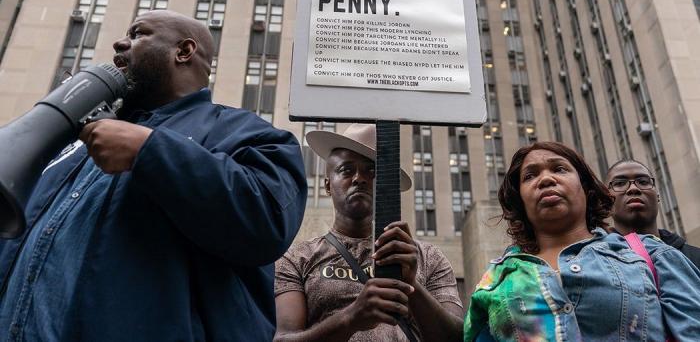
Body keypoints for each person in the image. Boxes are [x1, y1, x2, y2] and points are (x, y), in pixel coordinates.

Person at [0, 10, 307, 341]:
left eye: (137, 34)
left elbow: (267, 220)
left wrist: (150, 151)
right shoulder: (75, 142)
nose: (120, 42)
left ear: (183, 51)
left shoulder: (248, 134)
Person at [463, 141, 700, 341]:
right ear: (520, 200)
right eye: (530, 176)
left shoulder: (652, 255)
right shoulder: (497, 279)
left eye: (559, 169)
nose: (546, 179)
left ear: (585, 188)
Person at [274, 124, 464, 342]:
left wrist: (411, 285)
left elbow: (459, 338)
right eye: (346, 170)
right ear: (327, 185)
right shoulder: (297, 259)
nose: (359, 178)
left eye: (372, 170)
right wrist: (352, 317)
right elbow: (282, 339)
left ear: (387, 183)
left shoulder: (428, 257)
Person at [607, 159, 700, 269]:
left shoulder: (695, 258)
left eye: (643, 182)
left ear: (657, 197)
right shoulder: (595, 265)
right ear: (605, 202)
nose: (633, 188)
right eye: (620, 183)